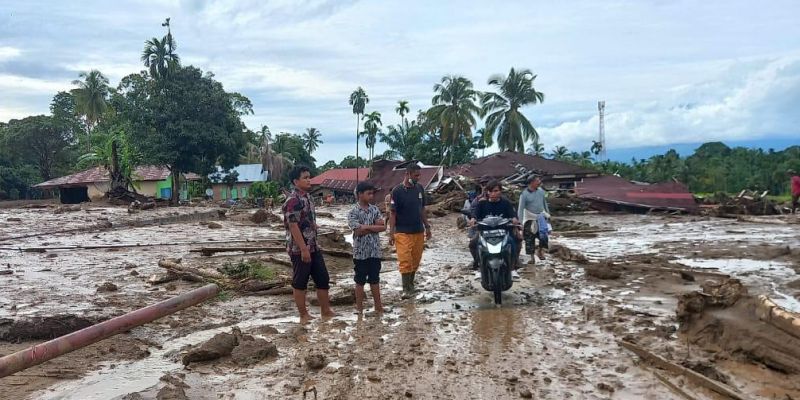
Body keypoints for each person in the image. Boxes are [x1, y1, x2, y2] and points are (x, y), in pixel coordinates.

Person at [282, 165, 334, 322]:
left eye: (309, 177)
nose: (309, 180)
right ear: (295, 181)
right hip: (299, 248)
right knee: (300, 282)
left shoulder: (309, 198)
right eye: (305, 177)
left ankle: (326, 311)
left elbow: (306, 219)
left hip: (313, 246)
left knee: (322, 278)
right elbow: (292, 225)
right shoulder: (292, 201)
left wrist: (313, 226)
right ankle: (303, 315)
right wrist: (303, 249)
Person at [388, 164, 431, 299]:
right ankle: (406, 288)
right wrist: (391, 233)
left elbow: (422, 209)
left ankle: (411, 285)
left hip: (418, 230)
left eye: (419, 175)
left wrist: (427, 226)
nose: (418, 178)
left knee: (415, 260)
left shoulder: (419, 189)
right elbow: (392, 213)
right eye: (415, 175)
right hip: (402, 231)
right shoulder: (397, 191)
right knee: (405, 260)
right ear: (407, 174)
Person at [469, 180, 523, 277]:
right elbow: (474, 215)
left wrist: (515, 220)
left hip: (503, 231)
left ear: (500, 191)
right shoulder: (481, 204)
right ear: (487, 192)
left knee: (515, 241)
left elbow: (513, 214)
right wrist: (473, 219)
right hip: (485, 232)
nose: (493, 193)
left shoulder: (506, 203)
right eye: (490, 191)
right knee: (473, 244)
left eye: (495, 191)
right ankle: (478, 265)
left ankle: (512, 267)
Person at [347, 181, 386, 314]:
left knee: (375, 279)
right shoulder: (353, 212)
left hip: (375, 251)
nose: (371, 196)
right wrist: (373, 228)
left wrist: (366, 227)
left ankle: (378, 307)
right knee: (360, 281)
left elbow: (383, 227)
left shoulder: (374, 209)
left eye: (372, 193)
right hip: (360, 253)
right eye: (368, 193)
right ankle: (359, 308)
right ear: (359, 194)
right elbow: (358, 231)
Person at [517, 176, 550, 265]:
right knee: (529, 239)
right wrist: (520, 223)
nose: (539, 182)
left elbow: (544, 204)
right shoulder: (524, 194)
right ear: (531, 182)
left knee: (544, 237)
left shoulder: (541, 191)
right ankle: (532, 257)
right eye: (537, 180)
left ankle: (540, 251)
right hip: (529, 218)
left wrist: (548, 215)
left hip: (541, 217)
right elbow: (520, 209)